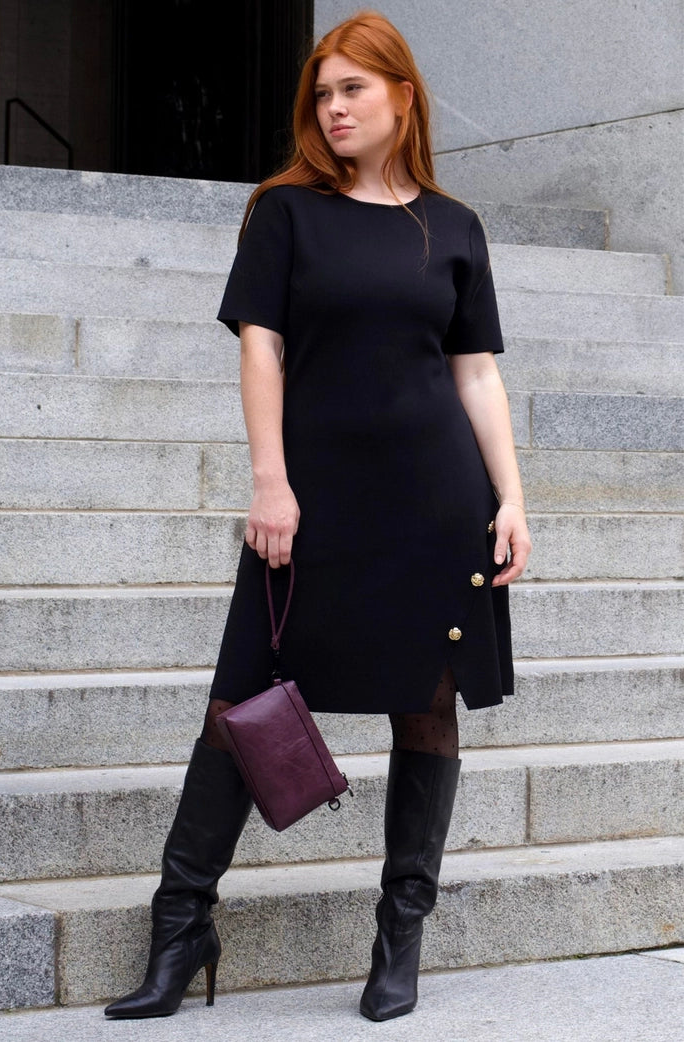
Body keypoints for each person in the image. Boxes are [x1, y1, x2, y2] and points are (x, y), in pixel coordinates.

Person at [104, 10, 531, 1024]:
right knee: (238, 699)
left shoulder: (453, 224)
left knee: (425, 707)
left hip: (435, 501)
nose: (332, 108)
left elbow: (474, 373)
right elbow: (261, 350)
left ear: (402, 96)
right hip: (311, 498)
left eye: (352, 89)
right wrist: (269, 479)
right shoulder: (285, 213)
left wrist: (511, 495)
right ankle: (180, 928)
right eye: (322, 93)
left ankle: (399, 943)